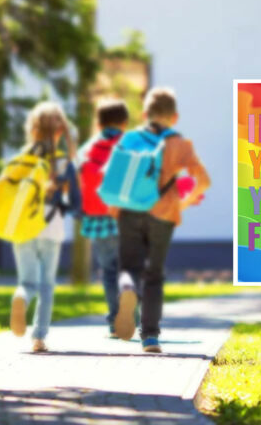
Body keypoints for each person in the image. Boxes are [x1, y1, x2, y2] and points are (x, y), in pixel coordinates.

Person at [114, 87, 210, 353]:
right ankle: (151, 338)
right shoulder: (180, 144)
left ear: (145, 114)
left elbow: (114, 181)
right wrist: (184, 202)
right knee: (154, 274)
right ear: (174, 117)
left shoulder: (130, 140)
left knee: (129, 267)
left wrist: (116, 210)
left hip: (130, 211)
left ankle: (127, 290)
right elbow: (204, 181)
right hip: (164, 214)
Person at [9, 101, 80, 352]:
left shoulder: (22, 159)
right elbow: (75, 201)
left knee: (27, 282)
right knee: (47, 284)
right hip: (51, 226)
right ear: (60, 130)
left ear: (33, 128)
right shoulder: (62, 162)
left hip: (22, 227)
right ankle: (39, 337)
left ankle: (20, 298)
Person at [78, 98, 129, 337]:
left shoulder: (88, 148)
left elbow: (75, 179)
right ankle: (132, 317)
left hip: (97, 216)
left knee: (108, 270)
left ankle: (114, 321)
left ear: (99, 123)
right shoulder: (130, 144)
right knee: (129, 268)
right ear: (125, 122)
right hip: (128, 216)